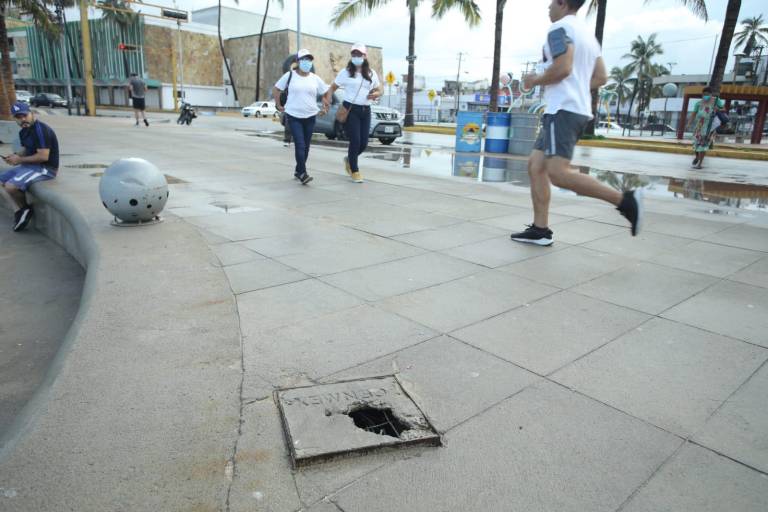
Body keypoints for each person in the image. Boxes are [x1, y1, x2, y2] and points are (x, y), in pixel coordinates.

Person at [510, 0, 642, 246]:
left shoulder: (559, 29)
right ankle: (540, 230)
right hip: (572, 109)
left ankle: (624, 201)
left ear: (561, 2)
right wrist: (577, 87)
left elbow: (563, 67)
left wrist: (533, 80)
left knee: (558, 174)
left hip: (563, 109)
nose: (548, 7)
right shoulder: (587, 36)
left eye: (551, 2)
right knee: (536, 166)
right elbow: (601, 77)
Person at [324, 43, 381, 183]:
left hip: (365, 110)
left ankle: (349, 159)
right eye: (354, 54)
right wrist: (327, 98)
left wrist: (376, 94)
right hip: (350, 109)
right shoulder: (345, 72)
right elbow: (332, 87)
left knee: (363, 143)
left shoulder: (371, 73)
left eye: (359, 54)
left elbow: (380, 89)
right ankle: (354, 170)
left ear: (365, 56)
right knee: (355, 140)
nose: (356, 57)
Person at [0, 102, 60, 232]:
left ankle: (25, 208)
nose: (22, 119)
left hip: (45, 168)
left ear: (31, 114)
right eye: (18, 117)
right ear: (14, 118)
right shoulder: (24, 131)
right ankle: (20, 211)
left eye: (24, 115)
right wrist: (14, 156)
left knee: (11, 186)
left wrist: (19, 159)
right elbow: (25, 149)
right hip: (30, 166)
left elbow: (43, 156)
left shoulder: (41, 130)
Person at [273, 49, 330, 185]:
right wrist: (279, 104)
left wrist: (325, 106)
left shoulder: (315, 78)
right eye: (304, 59)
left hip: (310, 116)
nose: (307, 62)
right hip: (294, 115)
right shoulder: (289, 75)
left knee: (306, 147)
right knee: (300, 144)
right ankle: (303, 174)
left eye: (309, 60)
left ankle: (298, 170)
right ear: (298, 61)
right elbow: (276, 89)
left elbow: (326, 92)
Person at [689, 86, 724, 169]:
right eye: (704, 94)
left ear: (711, 94)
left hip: (709, 126)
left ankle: (700, 164)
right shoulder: (698, 103)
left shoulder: (716, 101)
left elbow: (723, 109)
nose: (705, 96)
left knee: (703, 145)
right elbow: (694, 113)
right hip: (699, 126)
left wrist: (718, 109)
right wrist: (689, 123)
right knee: (696, 144)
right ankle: (697, 157)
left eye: (707, 94)